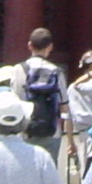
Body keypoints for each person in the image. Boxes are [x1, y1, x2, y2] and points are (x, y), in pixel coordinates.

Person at [16, 27, 66, 159]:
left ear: (29, 45)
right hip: (52, 130)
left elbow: (15, 100)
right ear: (50, 46)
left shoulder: (19, 69)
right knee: (48, 172)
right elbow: (64, 104)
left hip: (25, 130)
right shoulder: (57, 71)